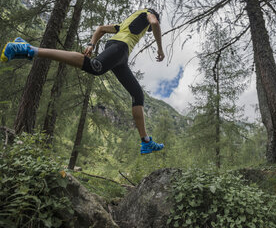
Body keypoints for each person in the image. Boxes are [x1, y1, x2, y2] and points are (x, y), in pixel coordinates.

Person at [1, 8, 165, 155]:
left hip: (120, 55)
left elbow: (100, 29)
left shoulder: (123, 25)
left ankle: (146, 142)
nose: (148, 30)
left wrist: (91, 44)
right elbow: (155, 22)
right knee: (94, 67)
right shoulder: (147, 13)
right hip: (119, 48)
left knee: (137, 95)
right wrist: (159, 48)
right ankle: (30, 49)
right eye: (148, 30)